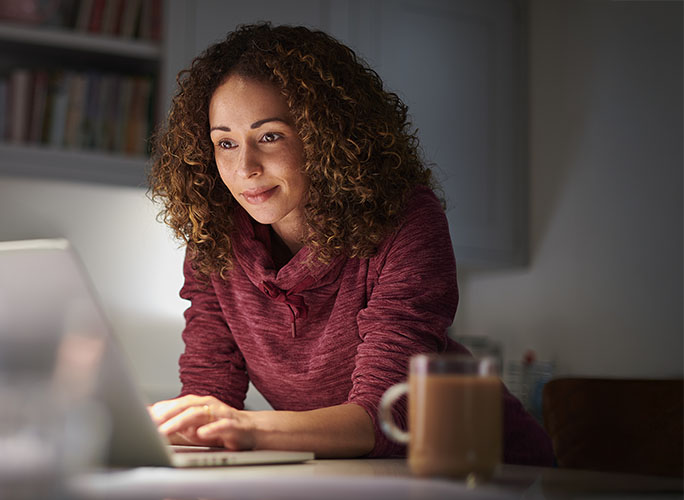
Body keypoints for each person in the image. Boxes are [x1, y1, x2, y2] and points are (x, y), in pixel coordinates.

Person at [145, 22, 555, 465]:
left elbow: (382, 417)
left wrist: (245, 427)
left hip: (495, 469)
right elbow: (209, 394)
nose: (245, 167)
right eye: (225, 142)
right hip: (359, 477)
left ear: (326, 136)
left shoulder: (405, 220)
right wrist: (167, 426)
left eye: (269, 136)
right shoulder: (215, 235)